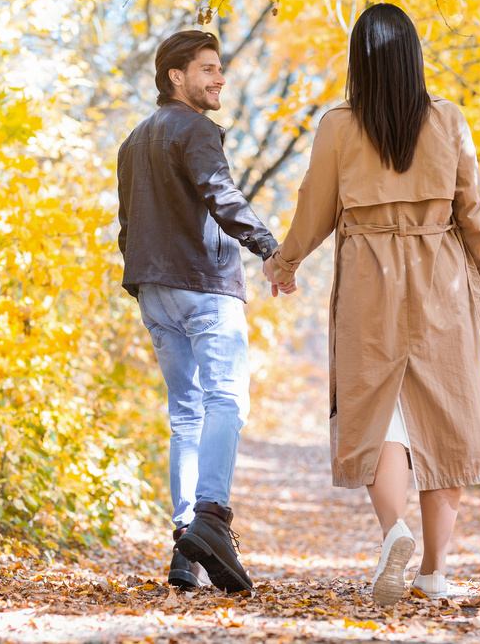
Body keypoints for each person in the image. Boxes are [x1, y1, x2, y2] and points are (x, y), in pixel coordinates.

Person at [263, 3, 480, 605]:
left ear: (358, 64)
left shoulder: (337, 125)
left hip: (371, 277)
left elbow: (314, 208)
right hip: (441, 277)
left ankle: (392, 530)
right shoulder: (449, 120)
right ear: (413, 57)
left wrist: (284, 263)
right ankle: (433, 571)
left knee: (379, 413)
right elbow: (473, 211)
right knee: (447, 418)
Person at [116, 30, 286, 593]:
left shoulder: (134, 141)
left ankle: (184, 549)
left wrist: (146, 279)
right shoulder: (195, 129)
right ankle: (212, 520)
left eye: (220, 69)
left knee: (186, 415)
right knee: (226, 402)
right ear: (176, 78)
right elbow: (221, 194)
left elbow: (126, 226)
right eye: (208, 69)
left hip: (154, 292)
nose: (219, 78)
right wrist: (270, 248)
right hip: (205, 287)